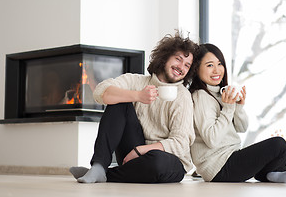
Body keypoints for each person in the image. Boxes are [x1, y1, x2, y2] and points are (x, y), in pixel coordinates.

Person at [69, 31, 198, 183]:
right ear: (165, 57)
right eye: (178, 59)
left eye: (187, 65)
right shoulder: (137, 81)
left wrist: (141, 150)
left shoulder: (183, 96)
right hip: (132, 151)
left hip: (166, 159)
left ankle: (105, 174)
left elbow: (180, 143)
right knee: (119, 99)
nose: (181, 67)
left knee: (157, 162)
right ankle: (98, 165)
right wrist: (137, 96)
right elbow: (101, 91)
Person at [189, 43, 286, 183]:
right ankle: (272, 173)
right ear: (196, 69)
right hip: (218, 168)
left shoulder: (219, 93)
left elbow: (242, 128)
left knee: (281, 148)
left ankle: (269, 174)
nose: (217, 70)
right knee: (278, 145)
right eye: (210, 65)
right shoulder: (200, 96)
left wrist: (238, 108)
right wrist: (229, 108)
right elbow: (212, 139)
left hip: (230, 158)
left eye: (220, 64)